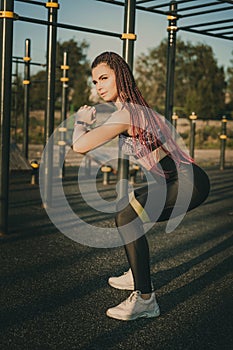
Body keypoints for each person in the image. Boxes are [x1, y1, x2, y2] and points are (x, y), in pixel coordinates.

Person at [72, 51, 210, 321]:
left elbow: (80, 145)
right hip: (178, 179)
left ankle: (146, 299)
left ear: (121, 77)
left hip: (189, 182)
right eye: (95, 81)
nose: (98, 86)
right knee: (128, 209)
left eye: (104, 78)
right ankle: (137, 273)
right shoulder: (132, 110)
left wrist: (79, 123)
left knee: (126, 216)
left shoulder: (126, 114)